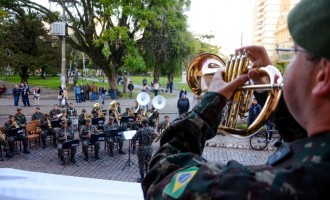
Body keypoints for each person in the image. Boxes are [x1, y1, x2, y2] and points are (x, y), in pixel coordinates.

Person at [142, 0, 329, 198]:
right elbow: (304, 138)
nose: (286, 65)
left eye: (294, 53)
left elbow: (162, 176)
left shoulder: (268, 185)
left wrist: (211, 102)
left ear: (323, 76)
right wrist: (268, 93)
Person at [131, 118, 157, 182]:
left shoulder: (141, 130)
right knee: (147, 163)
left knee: (141, 164)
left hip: (142, 148)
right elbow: (156, 136)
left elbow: (134, 139)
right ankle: (148, 177)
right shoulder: (152, 129)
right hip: (150, 148)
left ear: (142, 123)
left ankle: (142, 178)